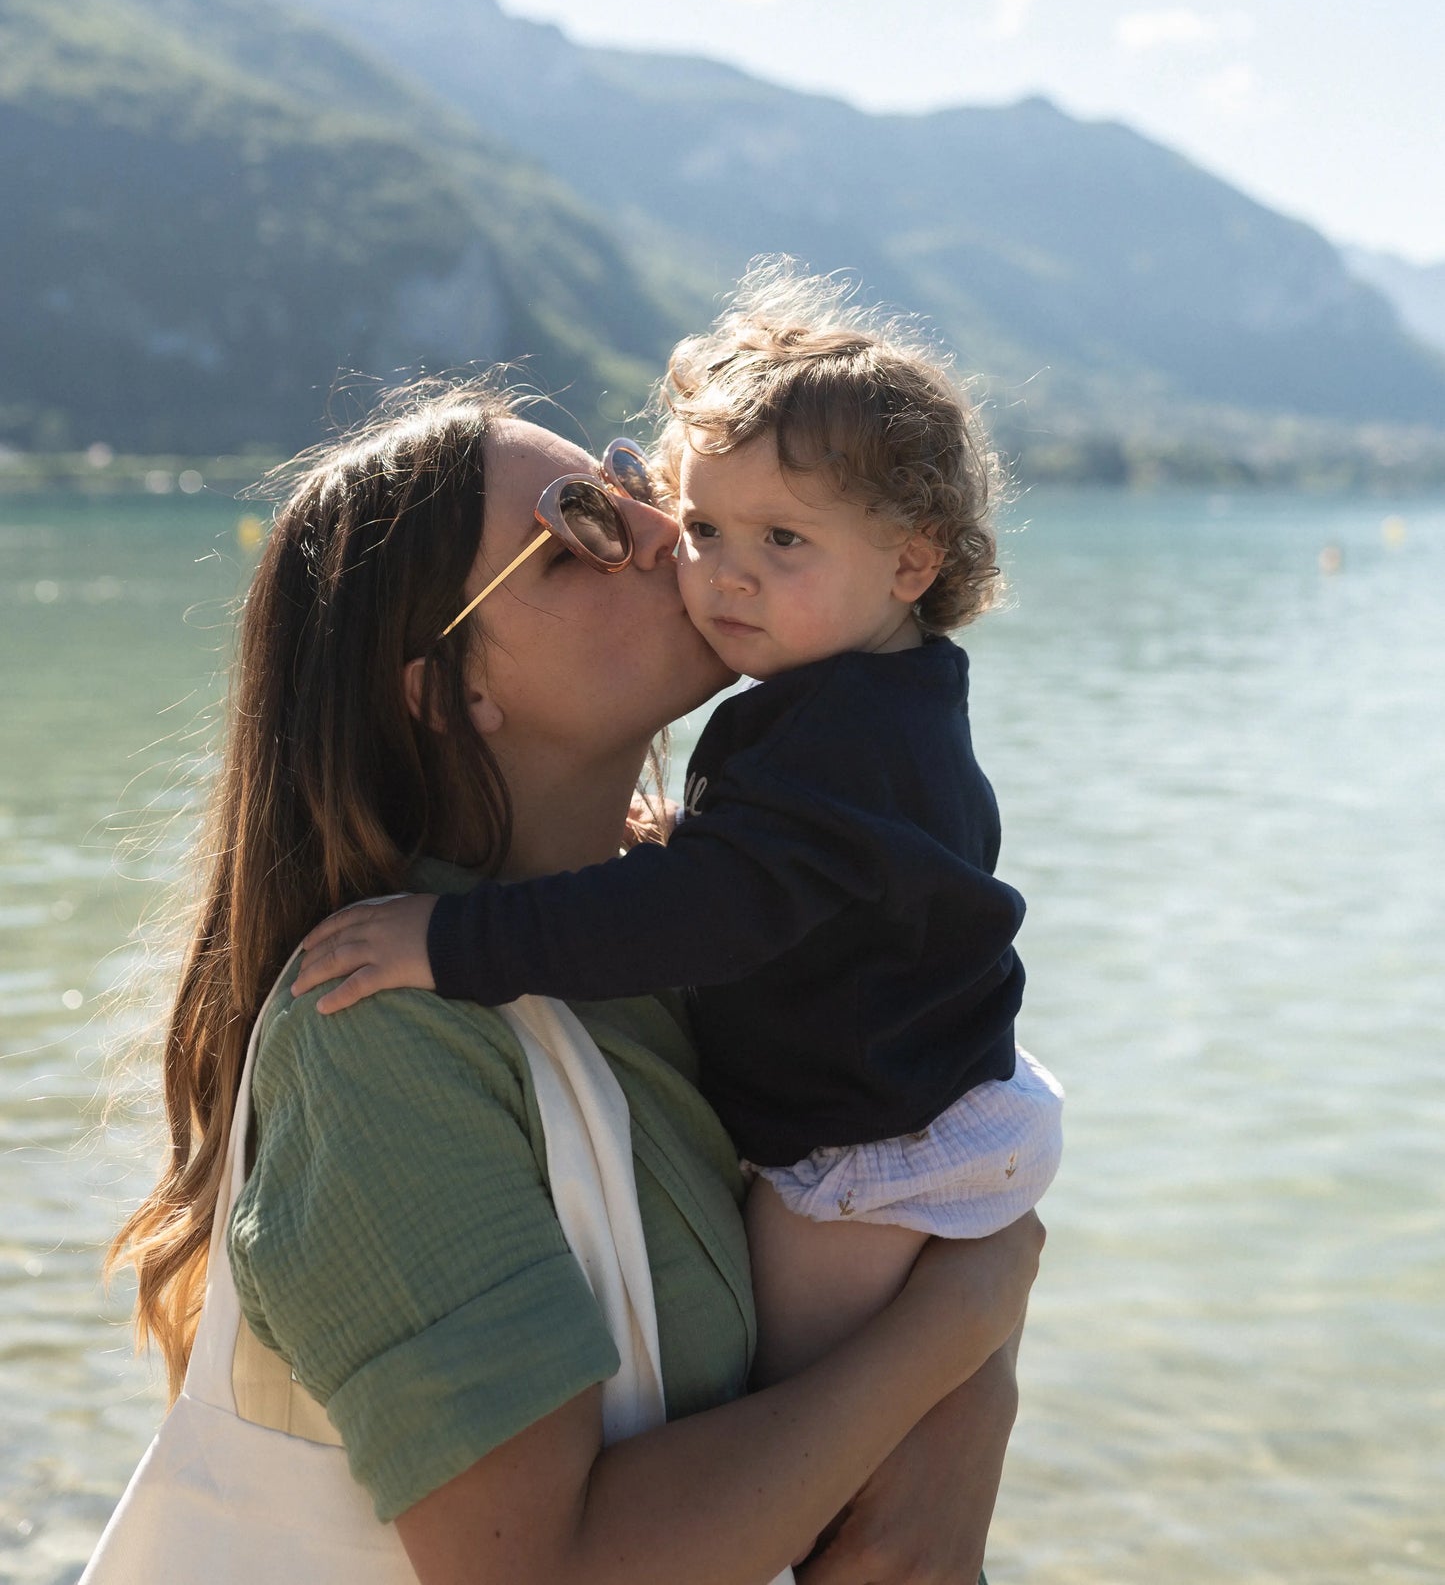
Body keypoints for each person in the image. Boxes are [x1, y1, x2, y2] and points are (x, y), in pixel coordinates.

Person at [109, 378, 1043, 1585]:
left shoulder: (690, 934)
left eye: (629, 484)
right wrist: (964, 1310)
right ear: (446, 691)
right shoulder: (383, 1029)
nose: (665, 532)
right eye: (578, 526)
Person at [296, 267, 1062, 1389]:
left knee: (793, 1421)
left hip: (870, 1154)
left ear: (911, 559)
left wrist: (446, 940)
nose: (704, 564)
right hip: (902, 1108)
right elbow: (772, 880)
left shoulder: (842, 739)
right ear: (444, 688)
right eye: (700, 520)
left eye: (781, 541)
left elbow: (704, 913)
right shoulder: (868, 709)